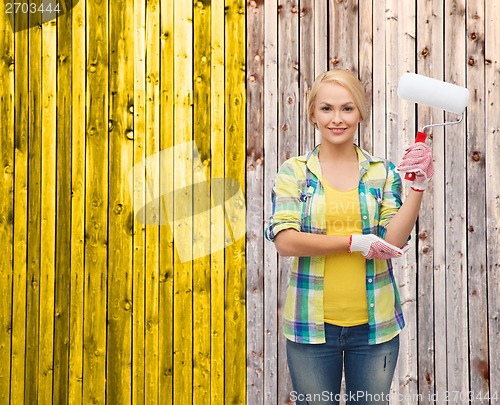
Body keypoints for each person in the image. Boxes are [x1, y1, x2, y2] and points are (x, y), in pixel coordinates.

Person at [264, 69, 434, 405]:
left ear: (360, 113)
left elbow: (393, 241)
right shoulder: (295, 171)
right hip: (310, 329)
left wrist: (417, 186)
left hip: (375, 331)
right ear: (312, 114)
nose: (337, 119)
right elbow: (285, 240)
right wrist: (353, 242)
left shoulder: (382, 172)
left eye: (347, 108)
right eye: (327, 109)